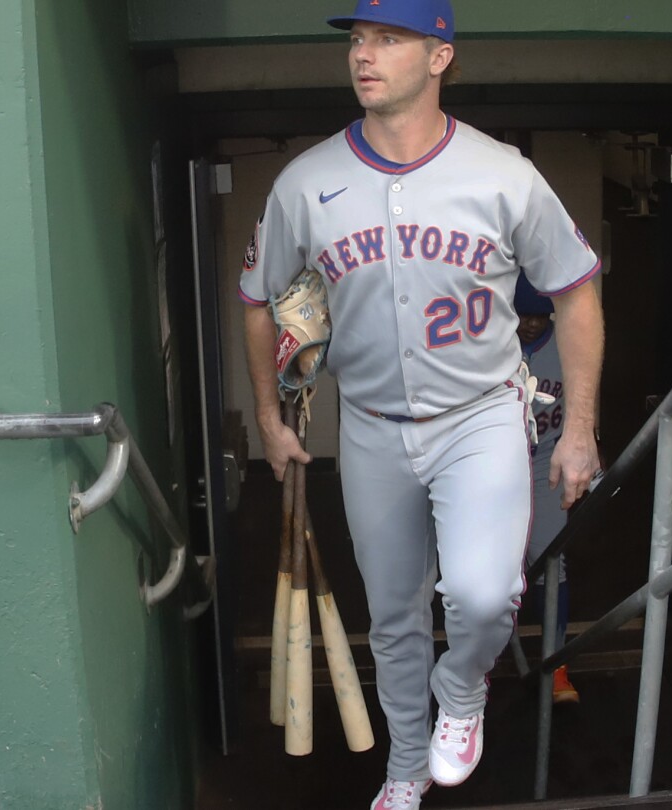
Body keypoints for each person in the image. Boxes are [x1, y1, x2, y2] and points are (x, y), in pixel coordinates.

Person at [239, 1, 605, 807]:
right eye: (357, 40)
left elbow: (577, 292)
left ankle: (462, 690)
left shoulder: (503, 173)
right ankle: (405, 768)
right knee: (394, 614)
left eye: (388, 39)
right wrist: (268, 417)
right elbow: (258, 299)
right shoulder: (307, 181)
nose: (363, 55)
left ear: (440, 57)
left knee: (482, 594)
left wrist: (578, 428)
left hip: (481, 418)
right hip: (370, 427)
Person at [515, 272, 580, 705]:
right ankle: (479, 667)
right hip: (496, 466)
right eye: (525, 314)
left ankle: (556, 666)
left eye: (541, 315)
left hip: (546, 465)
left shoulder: (567, 345)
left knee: (552, 562)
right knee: (489, 568)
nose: (534, 323)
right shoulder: (494, 343)